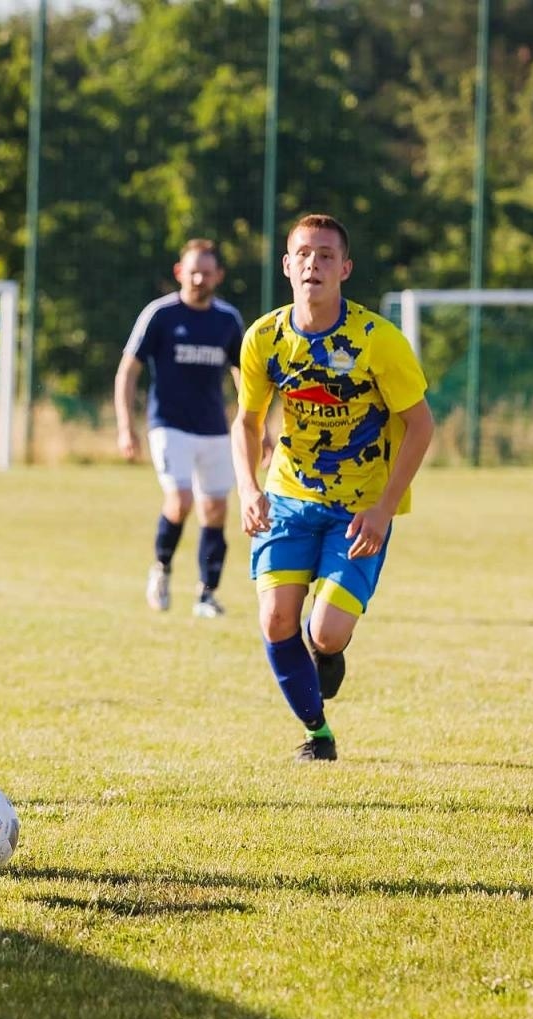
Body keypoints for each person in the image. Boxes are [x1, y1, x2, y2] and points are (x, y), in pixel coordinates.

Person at [231, 214, 434, 762]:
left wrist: (384, 510)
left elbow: (421, 425)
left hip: (360, 507)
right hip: (290, 498)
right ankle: (317, 734)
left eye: (325, 256)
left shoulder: (377, 340)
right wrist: (249, 489)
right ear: (287, 265)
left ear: (344, 268)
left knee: (327, 631)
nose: (313, 264)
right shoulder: (265, 338)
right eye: (303, 254)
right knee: (276, 619)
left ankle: (327, 651)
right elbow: (246, 422)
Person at [114, 239, 247, 618]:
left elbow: (242, 374)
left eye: (206, 271)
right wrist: (126, 425)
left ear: (218, 275)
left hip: (214, 428)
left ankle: (206, 594)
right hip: (168, 424)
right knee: (182, 500)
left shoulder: (228, 319)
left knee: (217, 508)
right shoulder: (160, 314)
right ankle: (162, 568)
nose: (199, 278)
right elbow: (128, 370)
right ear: (179, 271)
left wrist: (254, 424)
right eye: (192, 270)